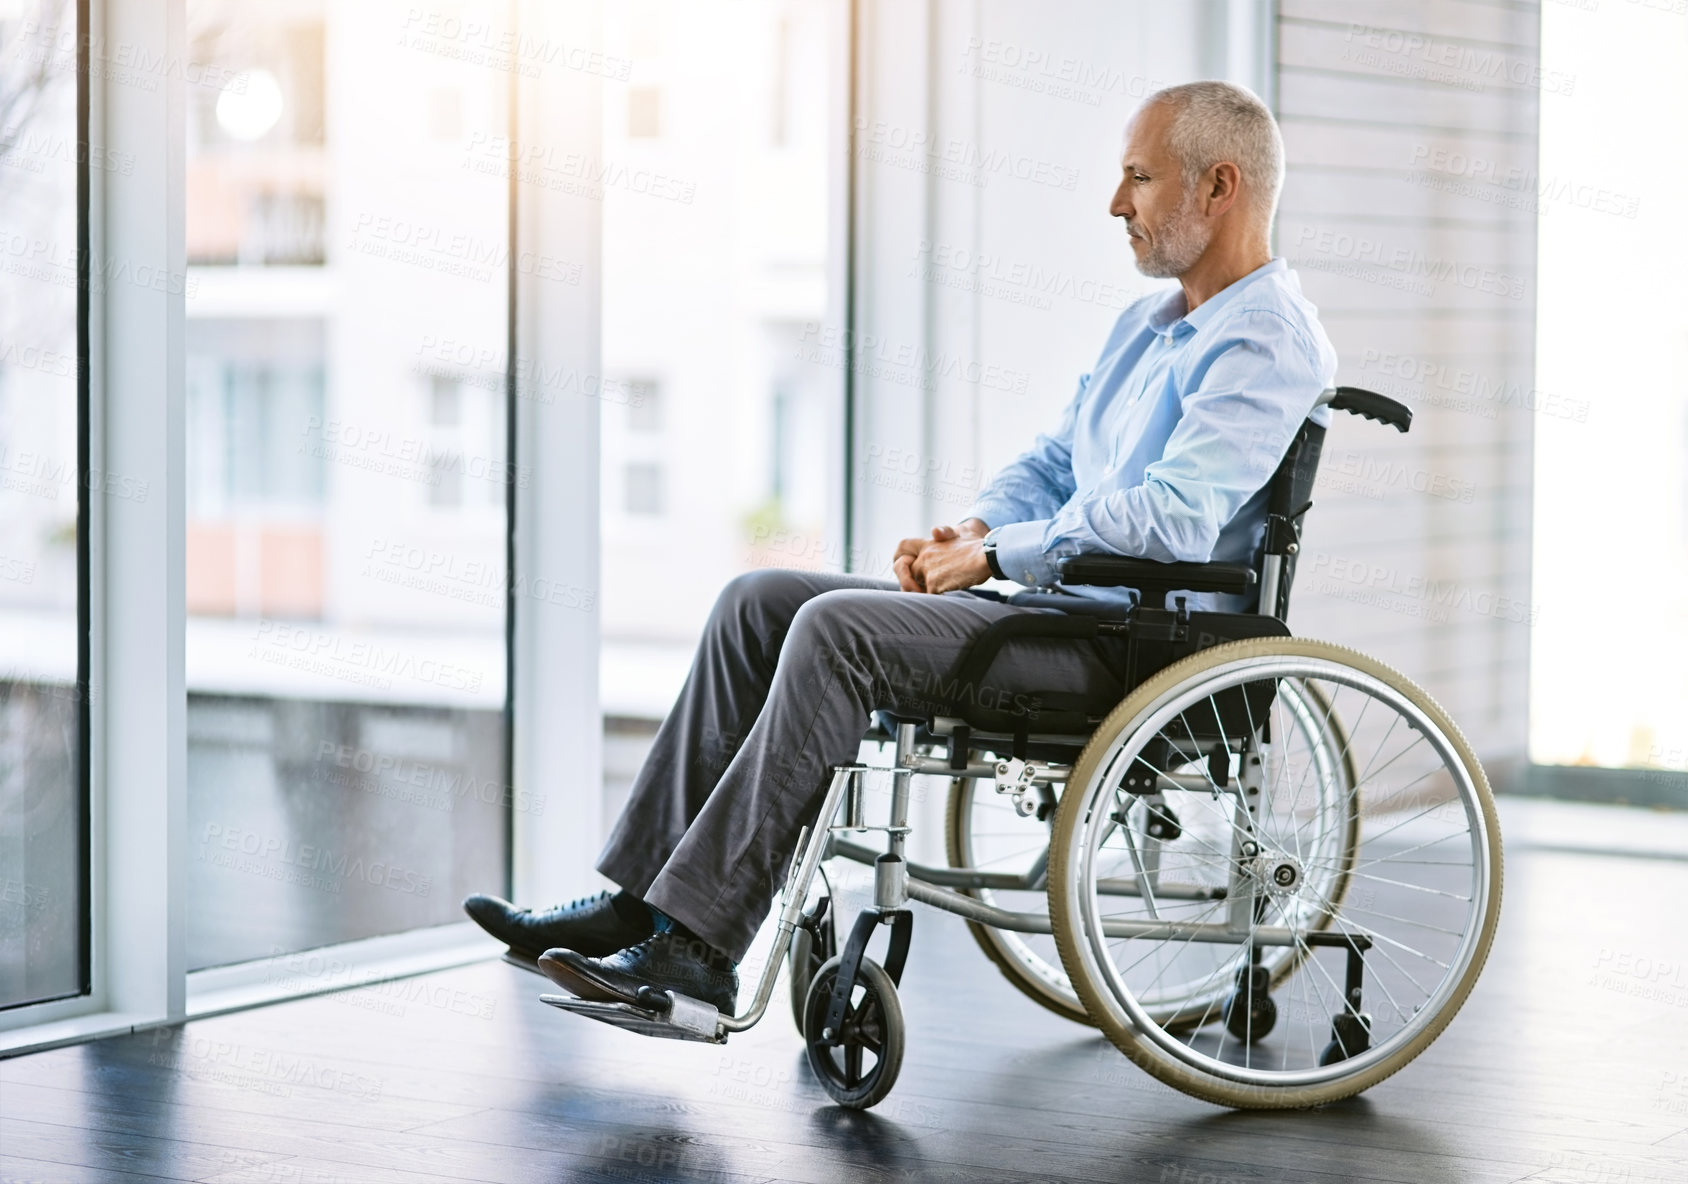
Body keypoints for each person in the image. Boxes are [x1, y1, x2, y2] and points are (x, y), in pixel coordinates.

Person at [463, 80, 1338, 1014]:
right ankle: (640, 904)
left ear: (1219, 188)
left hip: (1140, 650)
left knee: (837, 631)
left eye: (1139, 177)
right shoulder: (1150, 326)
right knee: (757, 603)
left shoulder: (1264, 341)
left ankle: (700, 947)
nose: (1116, 202)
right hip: (1065, 614)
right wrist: (974, 530)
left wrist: (1002, 557)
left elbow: (1173, 517)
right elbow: (1055, 459)